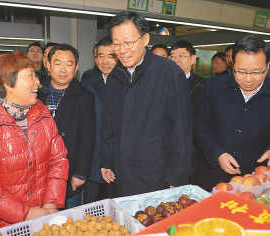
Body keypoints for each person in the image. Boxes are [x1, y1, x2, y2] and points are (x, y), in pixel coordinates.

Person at [0, 51, 69, 228]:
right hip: (1, 226)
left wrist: (50, 204)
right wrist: (26, 213)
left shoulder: (44, 116)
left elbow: (58, 161)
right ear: (8, 84)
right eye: (31, 76)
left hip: (43, 219)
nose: (38, 82)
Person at [100, 11, 193, 197]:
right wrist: (107, 161)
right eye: (116, 44)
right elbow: (108, 123)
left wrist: (177, 177)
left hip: (158, 173)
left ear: (145, 39)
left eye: (128, 43)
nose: (122, 50)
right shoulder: (115, 76)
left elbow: (182, 129)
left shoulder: (169, 73)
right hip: (122, 170)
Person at [193, 35, 270, 192]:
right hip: (211, 174)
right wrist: (218, 154)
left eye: (256, 72)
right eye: (240, 71)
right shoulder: (214, 86)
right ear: (232, 64)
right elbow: (200, 124)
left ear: (268, 66)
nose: (248, 79)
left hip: (254, 180)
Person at [39, 44, 96, 208]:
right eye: (57, 63)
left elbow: (88, 138)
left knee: (68, 222)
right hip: (39, 170)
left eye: (69, 64)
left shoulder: (85, 96)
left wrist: (80, 173)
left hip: (69, 170)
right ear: (48, 65)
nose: (63, 69)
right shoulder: (36, 93)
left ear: (76, 67)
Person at [82, 36, 118, 203]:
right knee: (91, 208)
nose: (105, 61)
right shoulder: (88, 80)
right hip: (94, 156)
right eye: (100, 56)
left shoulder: (130, 83)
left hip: (120, 158)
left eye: (111, 56)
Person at [169, 40, 206, 183]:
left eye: (181, 56)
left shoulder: (204, 86)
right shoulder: (161, 84)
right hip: (166, 153)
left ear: (192, 59)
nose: (175, 60)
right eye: (172, 56)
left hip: (192, 153)